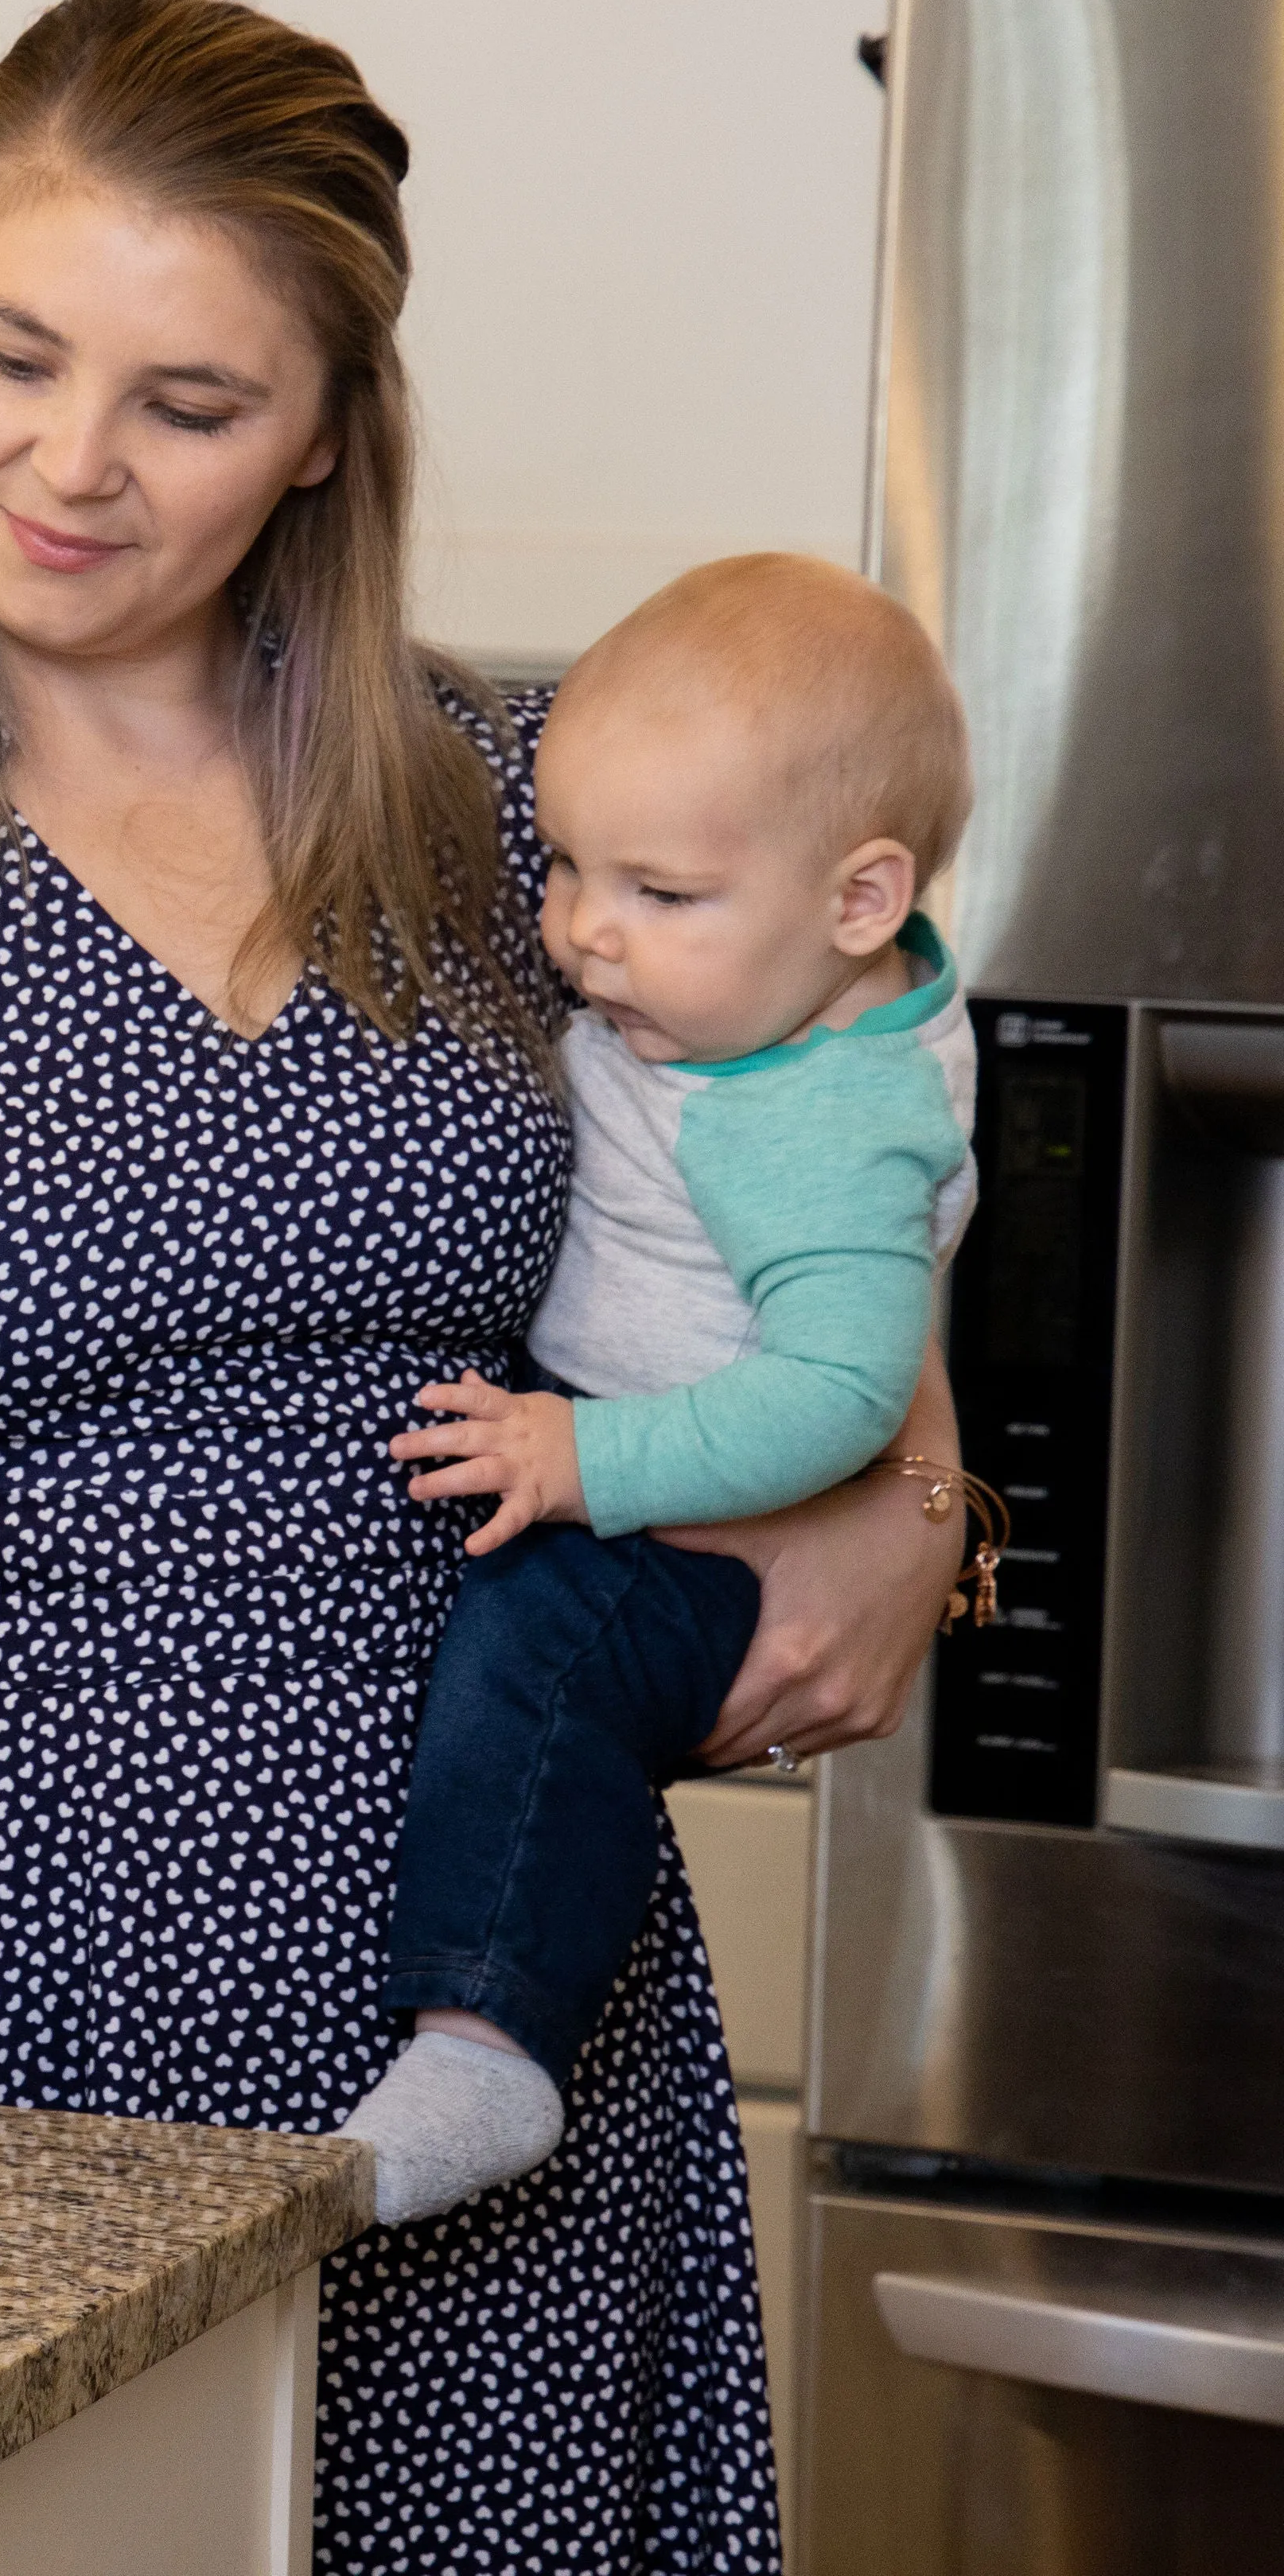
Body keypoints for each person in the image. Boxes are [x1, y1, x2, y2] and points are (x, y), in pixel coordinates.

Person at [0, 0, 964, 2573]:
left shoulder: (531, 809)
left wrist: (911, 1493)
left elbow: (835, 1131)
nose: (69, 465)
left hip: (490, 1989)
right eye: (13, 354)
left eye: (187, 403)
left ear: (325, 434)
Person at [353, 555, 977, 2226]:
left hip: (689, 1527)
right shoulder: (761, 984)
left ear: (858, 906)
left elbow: (846, 1393)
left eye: (656, 896)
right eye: (563, 868)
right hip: (651, 1469)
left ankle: (490, 2037)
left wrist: (581, 1459)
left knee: (541, 1669)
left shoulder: (813, 1121)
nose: (581, 929)